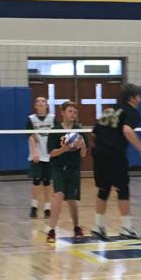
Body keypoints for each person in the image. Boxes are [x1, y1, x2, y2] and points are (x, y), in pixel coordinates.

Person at [90, 83, 141, 241]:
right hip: (114, 155)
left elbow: (94, 133)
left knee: (103, 189)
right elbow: (127, 130)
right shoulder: (132, 113)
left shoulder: (110, 109)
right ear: (132, 98)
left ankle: (98, 226)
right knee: (122, 190)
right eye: (138, 96)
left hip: (99, 153)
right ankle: (127, 227)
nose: (140, 99)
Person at [46, 101, 87, 243]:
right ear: (63, 113)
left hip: (73, 168)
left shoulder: (79, 130)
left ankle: (76, 227)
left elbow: (83, 154)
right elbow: (51, 153)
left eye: (75, 112)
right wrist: (64, 148)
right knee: (58, 195)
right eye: (70, 111)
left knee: (71, 200)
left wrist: (82, 146)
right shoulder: (55, 130)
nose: (73, 114)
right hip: (58, 168)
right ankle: (51, 230)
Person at [26, 96, 54, 219]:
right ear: (35, 105)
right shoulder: (31, 119)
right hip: (37, 155)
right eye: (38, 101)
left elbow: (57, 136)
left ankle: (47, 208)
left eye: (43, 101)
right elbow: (30, 136)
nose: (41, 103)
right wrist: (34, 152)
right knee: (36, 181)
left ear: (47, 105)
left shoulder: (52, 118)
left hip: (49, 155)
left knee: (47, 182)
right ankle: (34, 207)